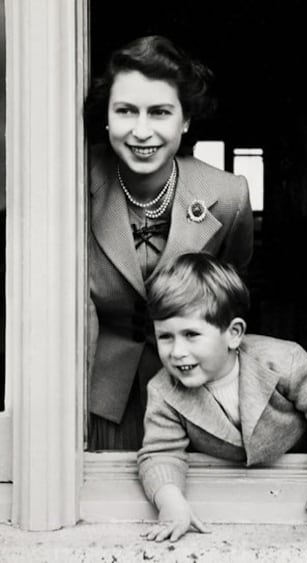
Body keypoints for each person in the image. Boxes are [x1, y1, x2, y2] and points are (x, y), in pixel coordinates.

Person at [84, 36, 254, 450]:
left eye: (160, 112)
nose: (142, 131)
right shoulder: (75, 181)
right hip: (100, 396)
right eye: (126, 111)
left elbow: (229, 295)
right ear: (106, 117)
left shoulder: (229, 196)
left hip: (195, 396)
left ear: (185, 120)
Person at [137, 252, 307, 542]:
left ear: (233, 334)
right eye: (165, 336)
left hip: (300, 480)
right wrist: (171, 503)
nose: (177, 351)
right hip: (231, 492)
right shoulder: (163, 390)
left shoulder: (284, 361)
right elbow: (160, 453)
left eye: (191, 334)